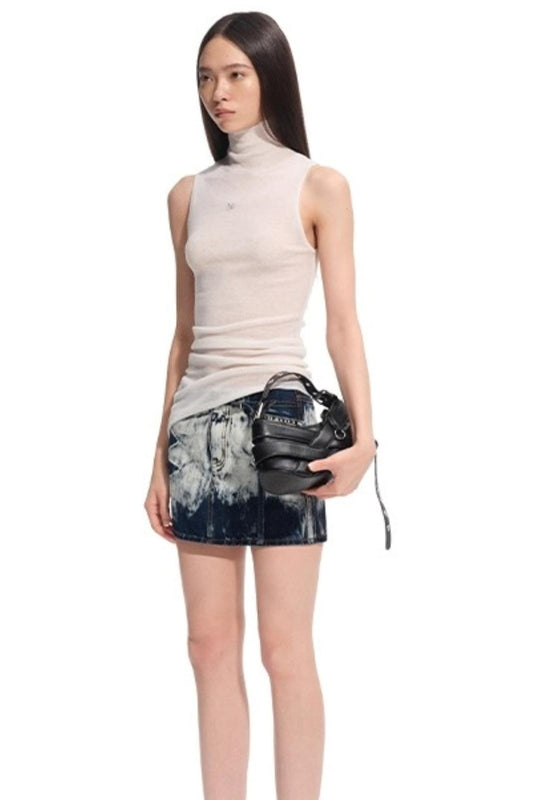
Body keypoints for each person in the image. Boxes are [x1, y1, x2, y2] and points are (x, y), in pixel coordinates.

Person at [145, 11, 379, 800]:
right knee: (208, 646)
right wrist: (157, 460)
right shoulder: (187, 195)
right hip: (197, 435)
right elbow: (183, 335)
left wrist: (364, 439)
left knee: (285, 649)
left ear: (270, 77)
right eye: (205, 78)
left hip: (280, 433)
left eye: (235, 74)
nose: (218, 92)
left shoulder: (319, 185)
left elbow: (342, 322)